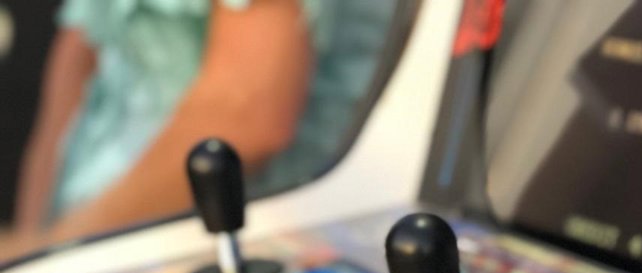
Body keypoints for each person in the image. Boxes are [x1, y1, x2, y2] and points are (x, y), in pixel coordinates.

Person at [8, 0, 390, 257]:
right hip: (86, 229)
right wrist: (35, 235)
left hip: (236, 240)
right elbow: (82, 49)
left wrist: (53, 252)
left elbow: (245, 114)